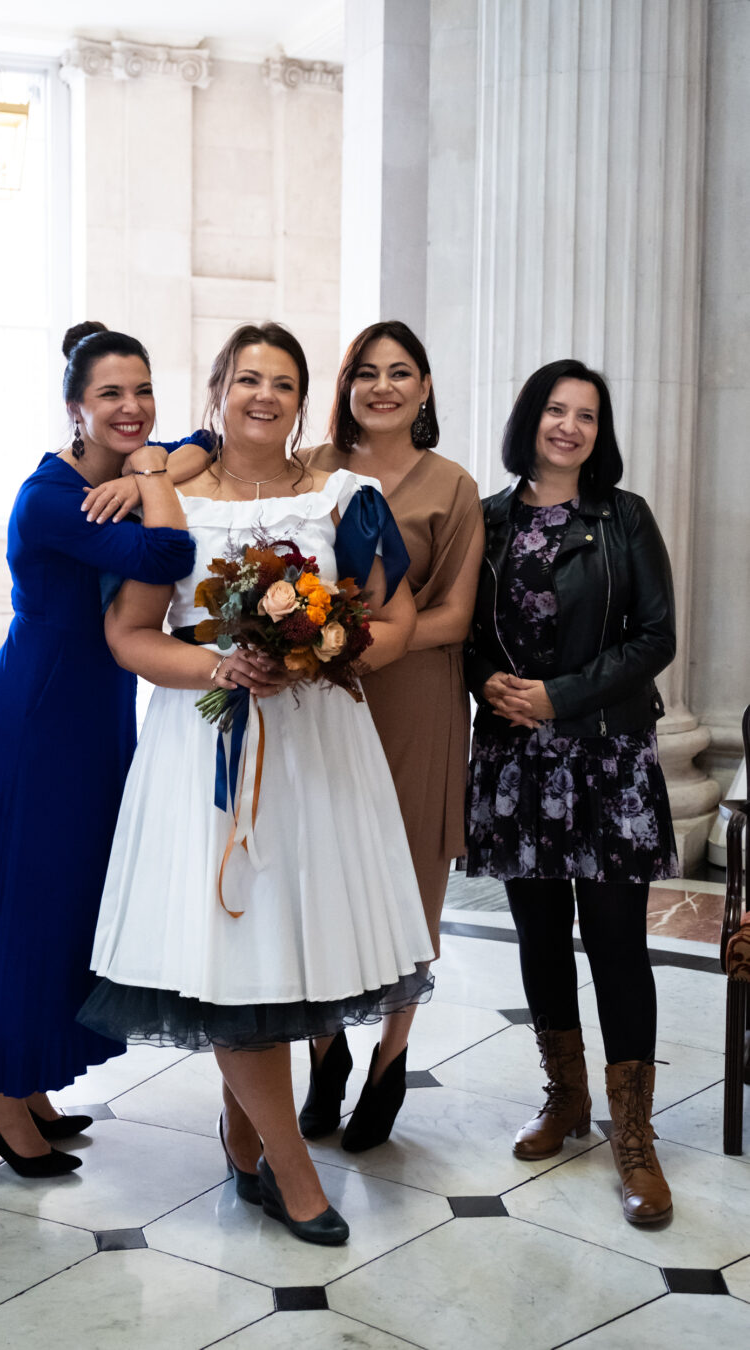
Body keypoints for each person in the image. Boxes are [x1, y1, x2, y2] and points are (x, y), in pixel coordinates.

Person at [77, 322, 434, 1245]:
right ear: (218, 393)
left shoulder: (345, 498)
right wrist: (223, 670)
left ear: (301, 401)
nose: (263, 396)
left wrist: (324, 649)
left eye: (281, 382)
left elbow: (393, 621)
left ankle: (244, 1138)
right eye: (246, 380)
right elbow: (132, 637)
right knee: (234, 955)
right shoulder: (168, 500)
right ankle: (292, 1166)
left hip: (319, 749)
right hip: (208, 749)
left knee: (289, 948)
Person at [0, 322, 203, 1178]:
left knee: (66, 911)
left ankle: (33, 1087)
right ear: (74, 409)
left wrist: (149, 468)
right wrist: (150, 474)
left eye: (143, 391)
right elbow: (170, 551)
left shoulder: (121, 473)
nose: (133, 410)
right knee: (19, 913)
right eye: (111, 395)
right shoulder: (50, 499)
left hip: (90, 728)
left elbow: (205, 442)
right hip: (27, 728)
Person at [464, 358, 678, 1224]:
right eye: (556, 410)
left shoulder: (625, 519)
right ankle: (566, 1099)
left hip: (605, 757)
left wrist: (562, 695)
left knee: (619, 942)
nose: (570, 426)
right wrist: (490, 686)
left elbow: (656, 636)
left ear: (601, 431)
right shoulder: (488, 522)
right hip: (518, 763)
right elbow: (464, 637)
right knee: (541, 938)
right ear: (532, 420)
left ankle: (635, 1135)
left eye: (587, 415)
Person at [300, 321, 483, 1151]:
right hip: (315, 703)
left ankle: (390, 1059)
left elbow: (453, 614)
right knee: (318, 876)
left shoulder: (453, 486)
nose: (382, 386)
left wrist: (353, 647)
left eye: (399, 372)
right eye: (365, 372)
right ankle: (326, 1051)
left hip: (414, 701)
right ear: (345, 387)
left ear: (425, 387)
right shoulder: (309, 471)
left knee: (407, 887)